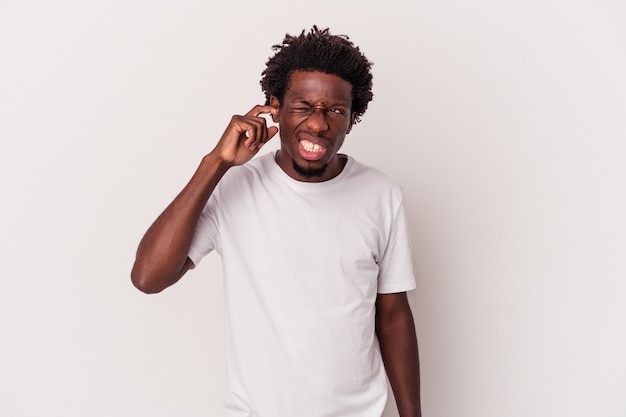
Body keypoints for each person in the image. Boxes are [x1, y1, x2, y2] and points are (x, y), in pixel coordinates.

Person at [131, 26, 421, 417]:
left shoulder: (380, 193)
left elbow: (392, 313)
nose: (318, 125)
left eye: (335, 111)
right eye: (303, 106)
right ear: (275, 107)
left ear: (352, 119)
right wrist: (214, 164)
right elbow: (149, 277)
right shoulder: (234, 188)